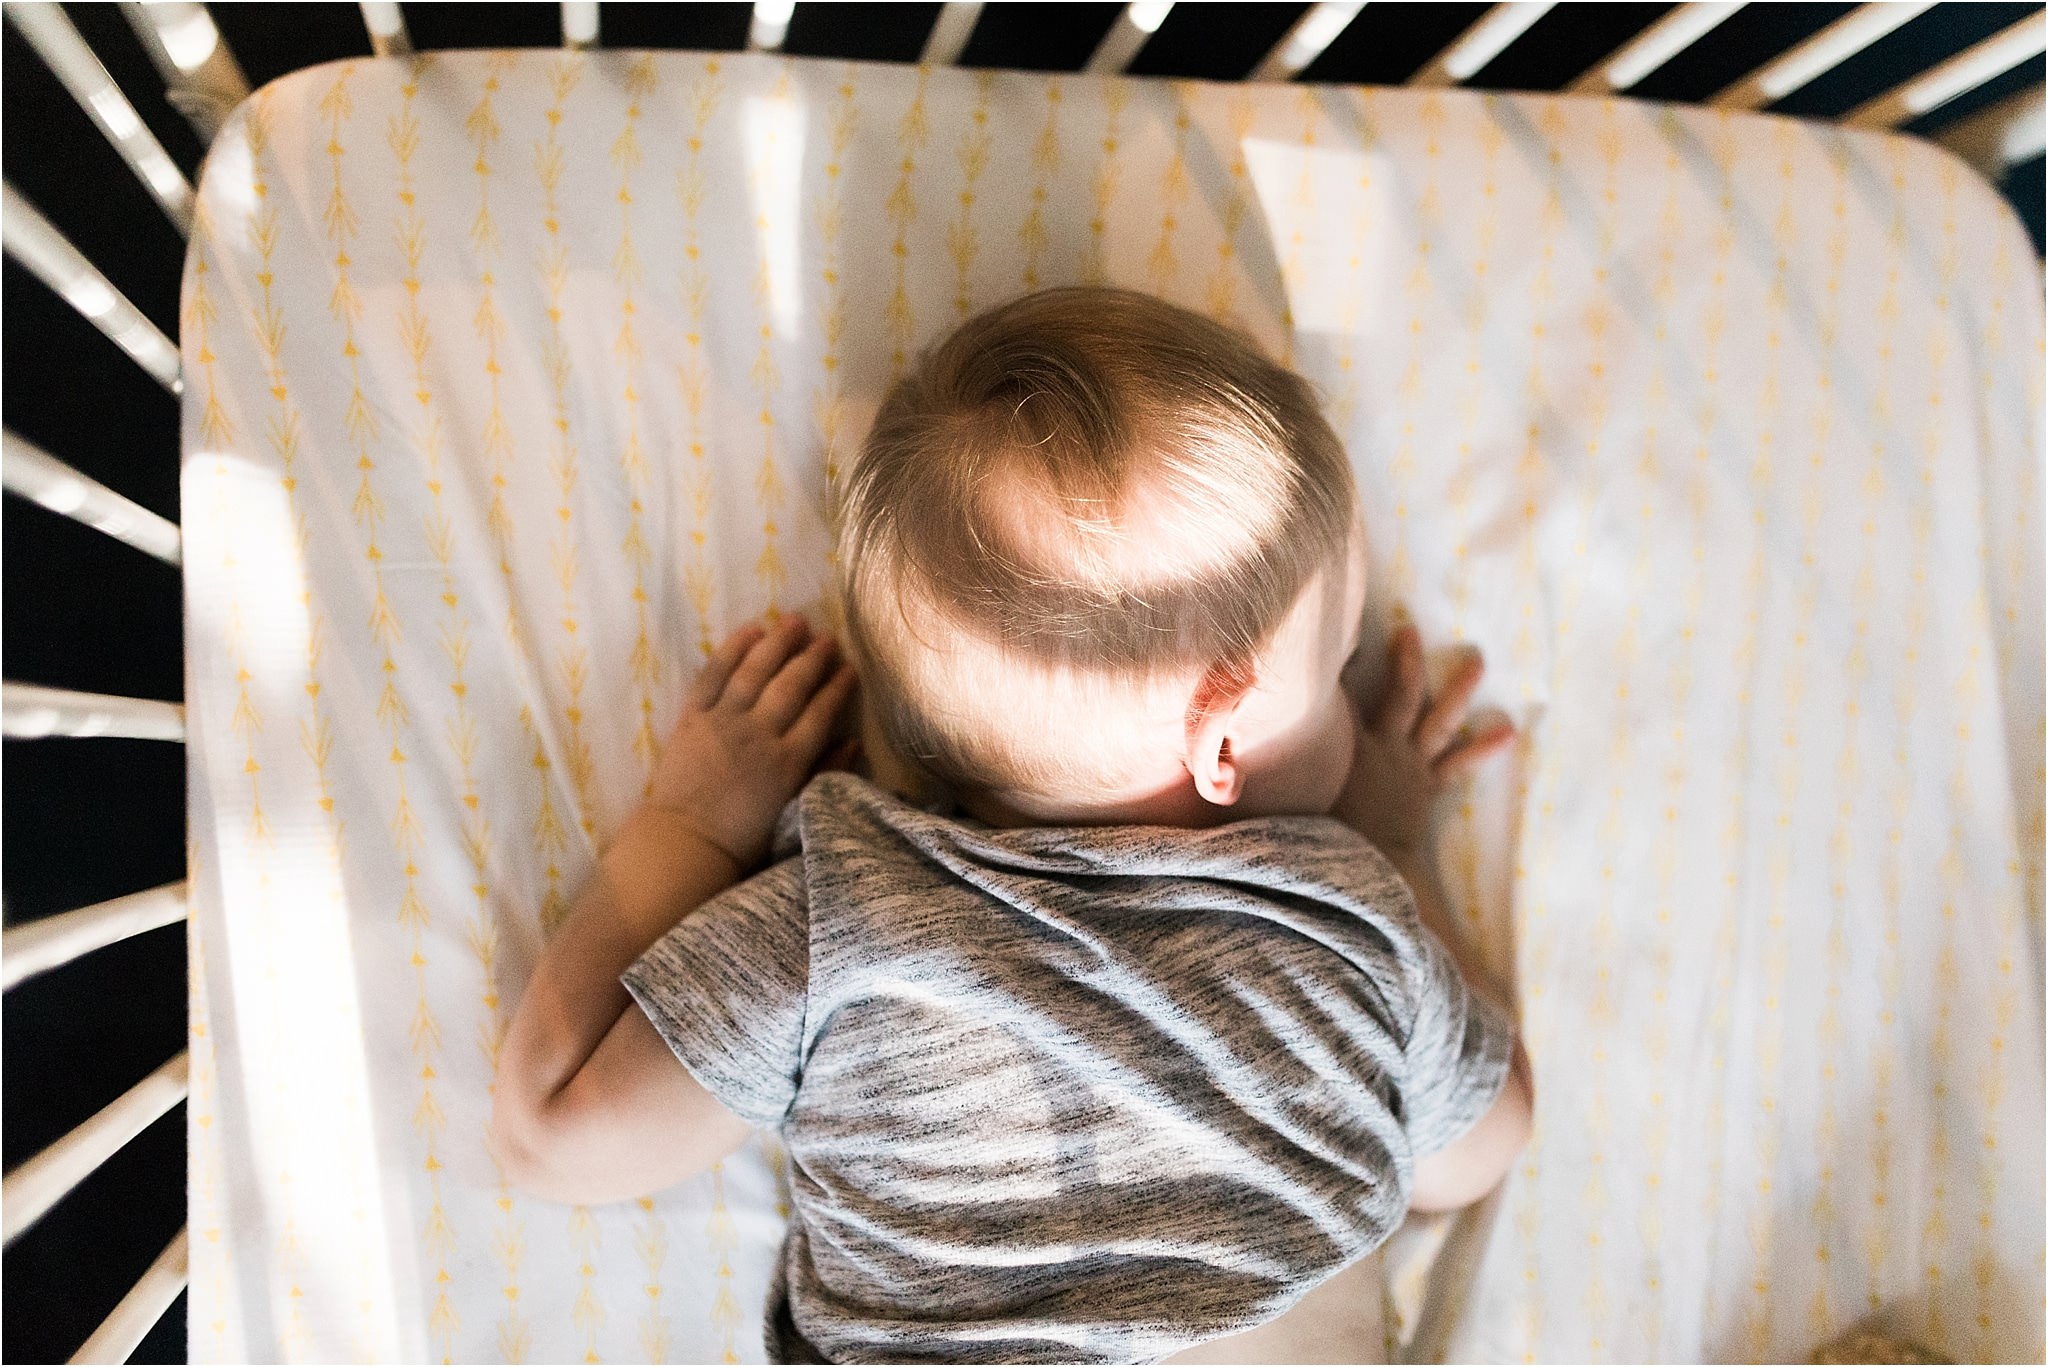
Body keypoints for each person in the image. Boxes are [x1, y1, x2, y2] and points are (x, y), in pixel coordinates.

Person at [490, 288, 1533, 1363]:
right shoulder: (1347, 920)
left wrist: (695, 821)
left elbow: (555, 1133)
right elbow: (1480, 1145)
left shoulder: (851, 922)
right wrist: (1395, 852)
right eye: (1333, 665)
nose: (1349, 706)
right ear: (1219, 745)